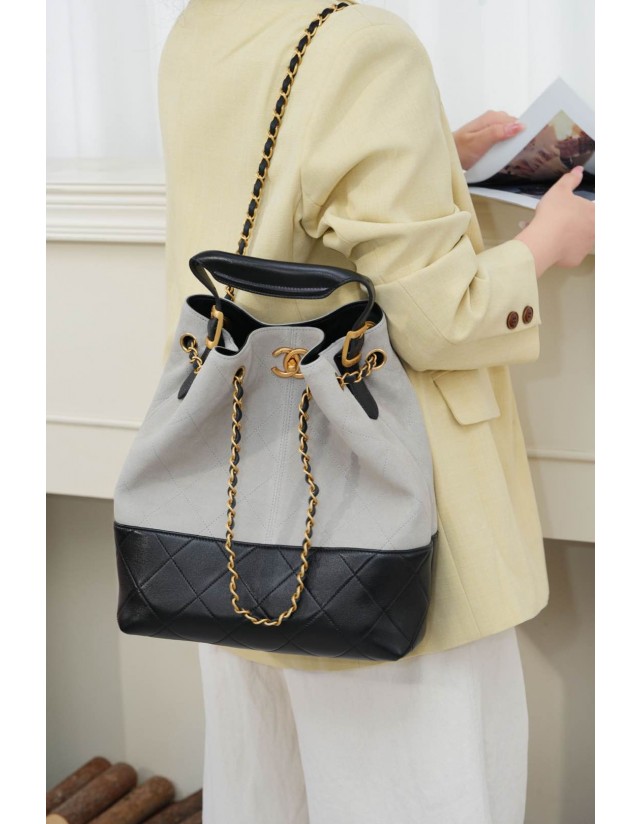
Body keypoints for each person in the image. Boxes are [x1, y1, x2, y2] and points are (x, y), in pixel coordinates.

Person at [158, 1, 595, 822]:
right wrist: (550, 242)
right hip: (378, 529)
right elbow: (441, 318)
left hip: (236, 510)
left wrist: (431, 154)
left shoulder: (205, 24)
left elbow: (277, 197)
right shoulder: (363, 42)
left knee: (267, 793)